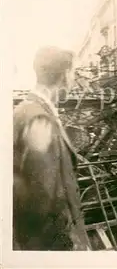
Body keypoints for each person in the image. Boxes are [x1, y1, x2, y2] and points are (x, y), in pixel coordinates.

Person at [13, 46, 90, 250]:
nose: (75, 81)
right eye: (74, 72)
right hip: (49, 244)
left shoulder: (25, 110)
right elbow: (42, 200)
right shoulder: (39, 119)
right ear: (65, 75)